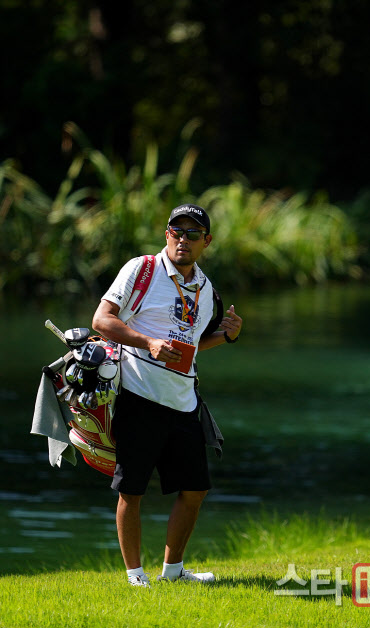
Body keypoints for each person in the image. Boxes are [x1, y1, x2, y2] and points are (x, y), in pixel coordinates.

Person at [92, 204, 242, 587]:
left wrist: (225, 336)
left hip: (184, 401)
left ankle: (173, 572)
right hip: (138, 395)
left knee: (195, 490)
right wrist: (148, 343)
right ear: (167, 235)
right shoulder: (141, 270)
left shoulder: (206, 289)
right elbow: (102, 321)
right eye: (177, 231)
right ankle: (135, 575)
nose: (183, 239)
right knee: (132, 490)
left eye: (193, 234)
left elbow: (190, 345)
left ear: (206, 242)